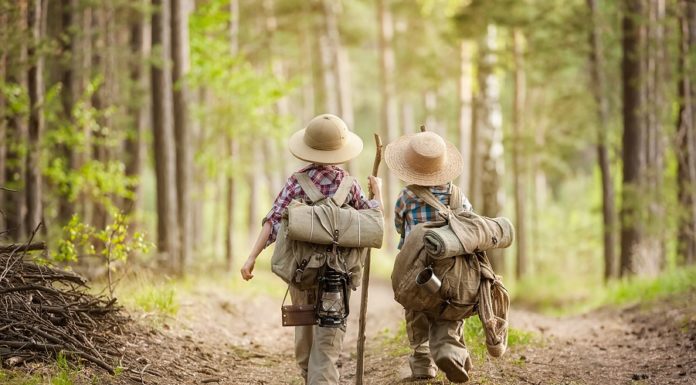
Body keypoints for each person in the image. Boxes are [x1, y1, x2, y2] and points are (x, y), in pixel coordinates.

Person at [240, 113, 382, 385]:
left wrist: (251, 258)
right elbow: (374, 222)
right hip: (338, 274)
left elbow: (273, 221)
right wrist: (378, 194)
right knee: (328, 341)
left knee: (304, 332)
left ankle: (310, 375)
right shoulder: (350, 186)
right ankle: (321, 377)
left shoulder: (296, 182)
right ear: (341, 152)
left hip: (301, 271)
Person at [384, 130, 473, 382]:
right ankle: (449, 349)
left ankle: (423, 360)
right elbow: (468, 223)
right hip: (452, 265)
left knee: (416, 308)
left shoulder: (406, 197)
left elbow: (400, 229)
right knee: (450, 307)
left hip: (418, 266)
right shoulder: (458, 196)